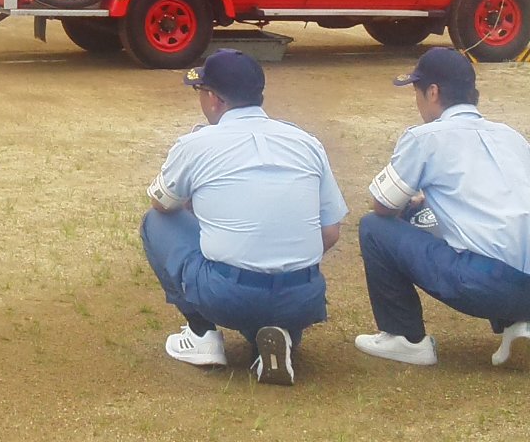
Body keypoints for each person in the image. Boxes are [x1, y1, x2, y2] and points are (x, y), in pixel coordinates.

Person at [141, 49, 347, 386]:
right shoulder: (307, 142)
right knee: (270, 285)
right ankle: (280, 334)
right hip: (304, 296)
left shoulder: (196, 143)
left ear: (214, 99)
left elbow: (161, 203)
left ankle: (201, 334)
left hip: (228, 294)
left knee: (156, 223)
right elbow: (331, 231)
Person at [354, 48, 530, 368]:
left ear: (433, 92)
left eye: (417, 92)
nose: (417, 102)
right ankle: (519, 324)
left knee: (374, 228)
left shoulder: (425, 137)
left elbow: (382, 204)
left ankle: (405, 338)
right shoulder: (511, 136)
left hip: (484, 284)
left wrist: (409, 207)